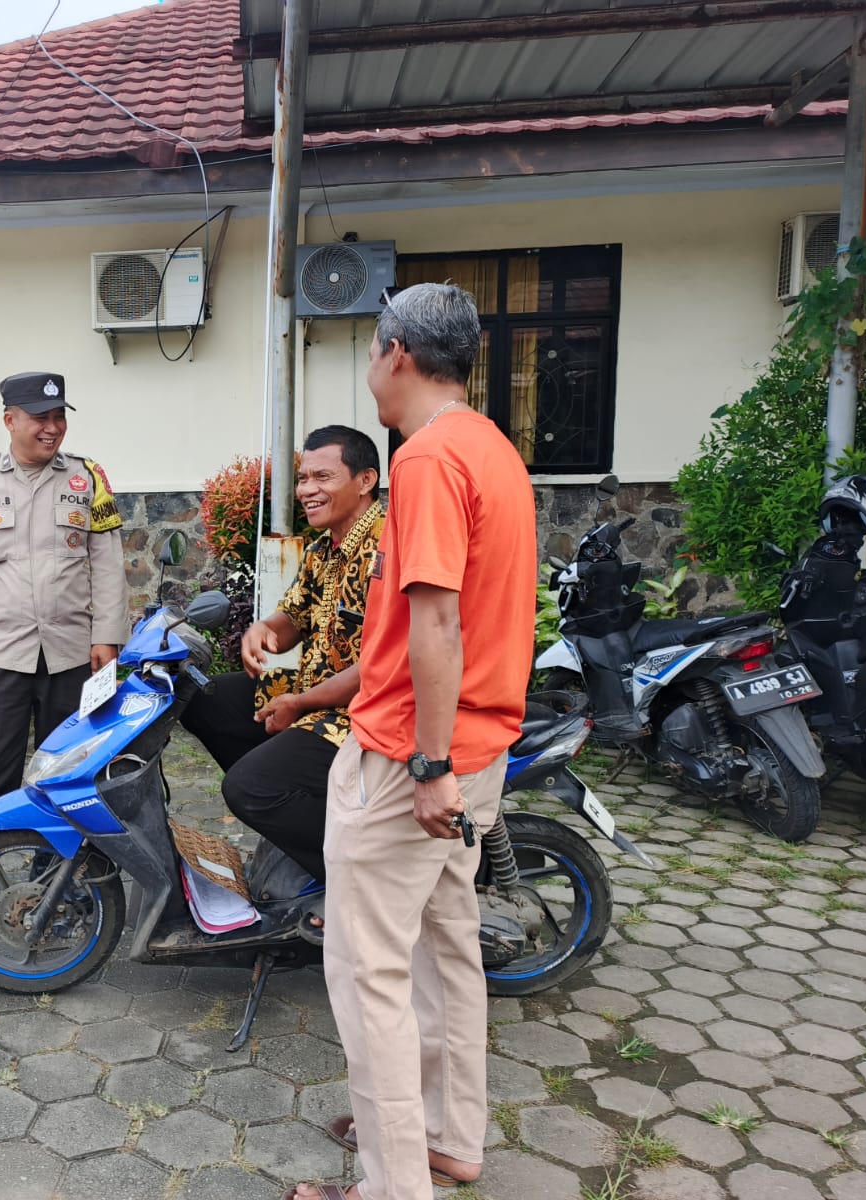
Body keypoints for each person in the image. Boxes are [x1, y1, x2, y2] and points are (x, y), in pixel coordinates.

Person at [287, 284, 537, 1200]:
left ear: (396, 351)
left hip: (411, 759)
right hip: (477, 748)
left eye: (369, 350)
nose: (369, 367)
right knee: (444, 949)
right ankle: (446, 1136)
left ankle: (392, 1184)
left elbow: (435, 621)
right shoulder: (492, 448)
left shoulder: (428, 457)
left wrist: (428, 764)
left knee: (370, 973)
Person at [0, 370, 127, 943]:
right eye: (40, 418)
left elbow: (107, 563)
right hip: (0, 656)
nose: (52, 427)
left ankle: (58, 891)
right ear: (10, 420)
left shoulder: (88, 479)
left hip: (73, 655)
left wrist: (108, 636)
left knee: (70, 774)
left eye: (59, 416)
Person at [179, 425, 383, 906]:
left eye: (322, 477)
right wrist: (262, 630)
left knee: (249, 788)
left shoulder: (386, 550)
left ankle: (361, 883)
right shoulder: (323, 548)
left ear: (365, 480)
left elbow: (382, 666)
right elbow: (292, 617)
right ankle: (297, 816)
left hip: (361, 714)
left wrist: (300, 703)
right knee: (202, 698)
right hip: (314, 694)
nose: (307, 489)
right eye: (303, 478)